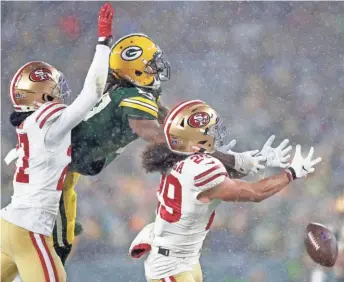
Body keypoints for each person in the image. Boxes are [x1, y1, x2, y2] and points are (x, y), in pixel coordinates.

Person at [53, 32, 289, 264]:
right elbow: (160, 136)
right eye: (150, 65)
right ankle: (58, 238)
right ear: (133, 69)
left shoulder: (136, 93)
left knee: (65, 203)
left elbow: (172, 127)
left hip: (73, 159)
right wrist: (226, 159)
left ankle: (61, 233)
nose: (157, 68)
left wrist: (228, 158)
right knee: (57, 235)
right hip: (61, 158)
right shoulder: (132, 96)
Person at [129, 99, 322, 282]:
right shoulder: (200, 168)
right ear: (193, 139)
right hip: (171, 265)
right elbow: (255, 193)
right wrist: (291, 173)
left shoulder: (177, 156)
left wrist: (259, 161)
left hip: (183, 258)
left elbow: (219, 171)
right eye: (207, 130)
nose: (214, 134)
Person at [1, 3, 114, 282]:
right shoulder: (47, 121)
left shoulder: (27, 124)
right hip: (30, 229)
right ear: (39, 96)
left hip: (8, 224)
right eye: (52, 90)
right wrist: (103, 42)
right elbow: (92, 92)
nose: (59, 95)